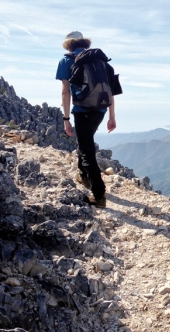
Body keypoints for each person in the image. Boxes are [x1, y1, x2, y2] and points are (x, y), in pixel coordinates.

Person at [55, 31, 116, 208]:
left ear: (69, 44)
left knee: (86, 150)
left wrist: (66, 118)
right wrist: (112, 116)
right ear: (84, 43)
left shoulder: (66, 61)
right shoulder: (101, 62)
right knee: (85, 143)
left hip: (82, 111)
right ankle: (84, 176)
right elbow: (111, 91)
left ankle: (98, 195)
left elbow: (65, 92)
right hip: (101, 110)